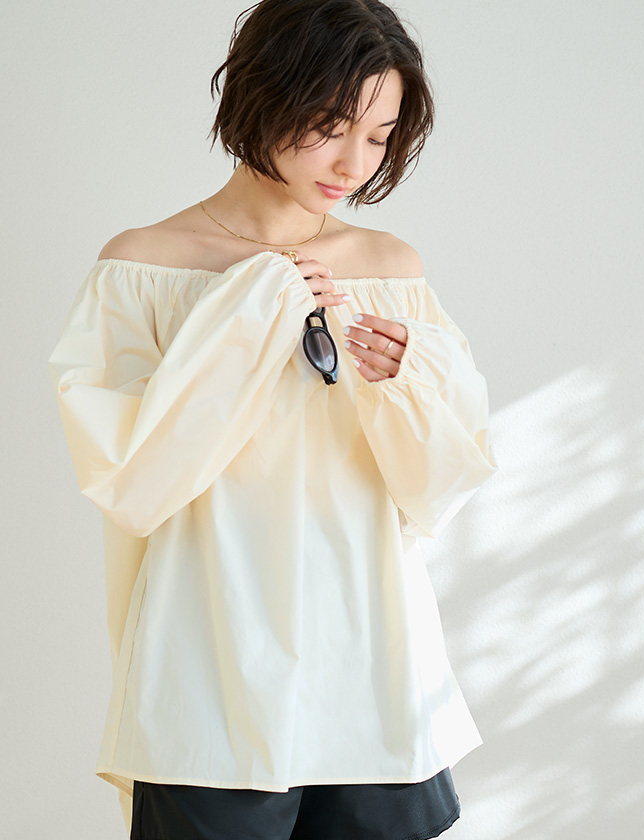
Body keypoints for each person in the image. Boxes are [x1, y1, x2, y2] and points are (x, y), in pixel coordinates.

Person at [47, 1, 499, 838]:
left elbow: (441, 489)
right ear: (263, 94)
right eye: (331, 125)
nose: (353, 163)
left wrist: (410, 383)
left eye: (379, 137)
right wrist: (247, 318)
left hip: (373, 668)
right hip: (209, 675)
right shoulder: (143, 268)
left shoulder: (390, 270)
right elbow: (130, 481)